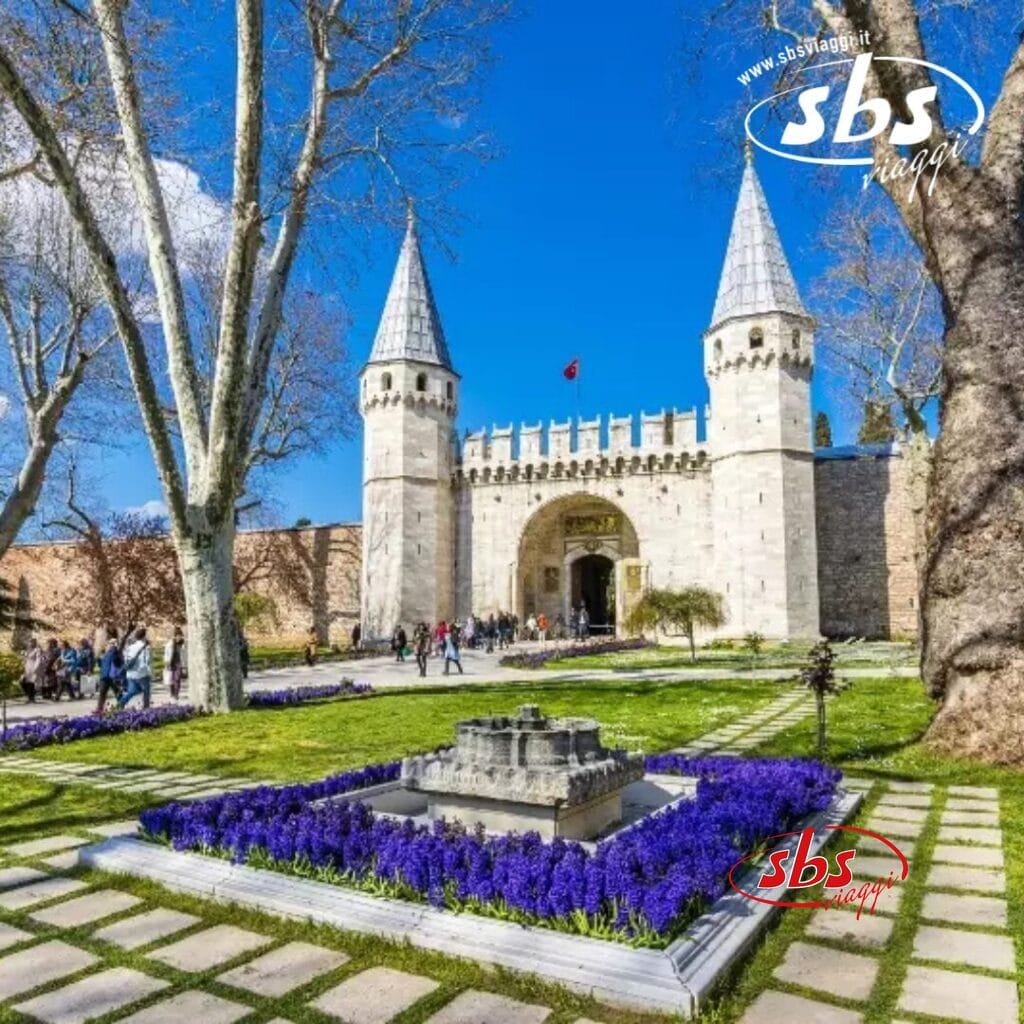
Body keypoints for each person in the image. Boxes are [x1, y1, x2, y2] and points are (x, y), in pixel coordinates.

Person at [118, 627, 152, 709]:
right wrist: (149, 672)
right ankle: (146, 709)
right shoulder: (146, 647)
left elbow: (126, 658)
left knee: (132, 691)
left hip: (130, 673)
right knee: (146, 692)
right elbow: (147, 661)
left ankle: (121, 703)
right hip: (142, 673)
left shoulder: (130, 647)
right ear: (144, 636)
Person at [97, 633, 124, 714]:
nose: (109, 645)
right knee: (117, 693)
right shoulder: (114, 653)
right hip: (111, 676)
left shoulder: (107, 653)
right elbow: (119, 663)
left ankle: (99, 710)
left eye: (110, 644)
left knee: (103, 694)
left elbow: (100, 664)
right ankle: (121, 707)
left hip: (105, 676)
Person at [163, 627, 186, 700]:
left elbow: (184, 655)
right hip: (170, 663)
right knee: (170, 679)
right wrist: (167, 663)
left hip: (178, 663)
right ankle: (172, 693)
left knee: (177, 679)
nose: (180, 637)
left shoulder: (182, 644)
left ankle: (176, 694)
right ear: (175, 636)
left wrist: (185, 665)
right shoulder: (170, 644)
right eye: (178, 636)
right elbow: (166, 654)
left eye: (181, 635)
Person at [21, 638, 45, 702]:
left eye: (32, 642)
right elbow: (25, 659)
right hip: (27, 667)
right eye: (29, 642)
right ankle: (30, 696)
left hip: (33, 667)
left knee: (31, 683)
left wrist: (36, 668)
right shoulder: (28, 650)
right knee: (23, 682)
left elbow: (38, 659)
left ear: (35, 643)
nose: (30, 644)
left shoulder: (37, 650)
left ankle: (31, 698)